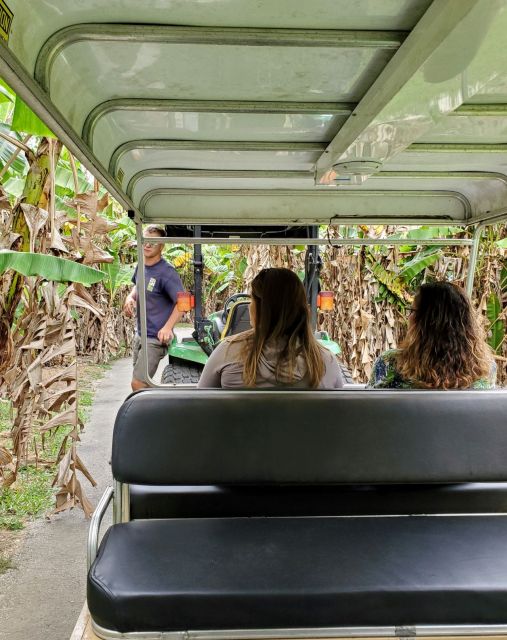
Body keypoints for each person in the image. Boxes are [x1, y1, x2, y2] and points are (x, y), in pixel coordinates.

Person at [198, 267, 345, 389]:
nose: (249, 306)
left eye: (252, 300)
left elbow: (200, 407)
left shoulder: (228, 352)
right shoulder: (325, 361)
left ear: (261, 309)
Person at [368, 280, 496, 389]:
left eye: (412, 311)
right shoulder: (487, 369)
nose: (409, 317)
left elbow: (367, 411)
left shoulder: (389, 363)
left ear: (426, 322)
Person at [124, 225, 184, 391]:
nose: (147, 245)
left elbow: (184, 304)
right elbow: (137, 286)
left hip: (155, 338)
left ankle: (146, 414)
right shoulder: (141, 266)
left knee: (138, 383)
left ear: (162, 246)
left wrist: (167, 327)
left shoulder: (167, 272)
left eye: (153, 242)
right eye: (145, 240)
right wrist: (130, 297)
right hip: (141, 334)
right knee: (141, 382)